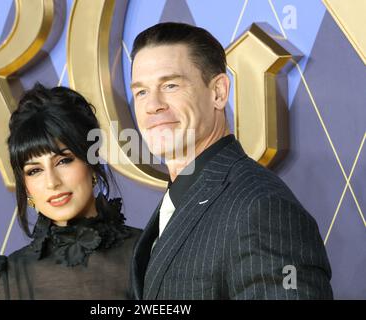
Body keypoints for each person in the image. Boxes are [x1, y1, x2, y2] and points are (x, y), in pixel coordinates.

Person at [129, 22, 333, 300]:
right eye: (141, 91)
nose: (153, 105)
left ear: (218, 92)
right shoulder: (182, 196)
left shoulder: (261, 207)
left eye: (171, 85)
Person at [0, 84, 141, 299]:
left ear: (91, 161)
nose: (52, 182)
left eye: (64, 160)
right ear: (25, 186)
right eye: (34, 170)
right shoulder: (4, 280)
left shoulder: (148, 252)